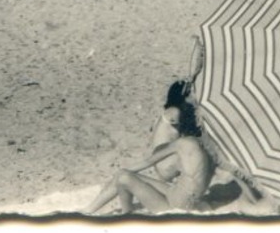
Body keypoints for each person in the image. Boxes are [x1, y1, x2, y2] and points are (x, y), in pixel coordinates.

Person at [84, 84, 214, 215]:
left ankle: (126, 213)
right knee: (127, 176)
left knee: (123, 176)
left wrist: (124, 172)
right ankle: (96, 210)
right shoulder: (205, 144)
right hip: (182, 196)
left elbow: (148, 162)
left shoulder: (181, 143)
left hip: (177, 205)